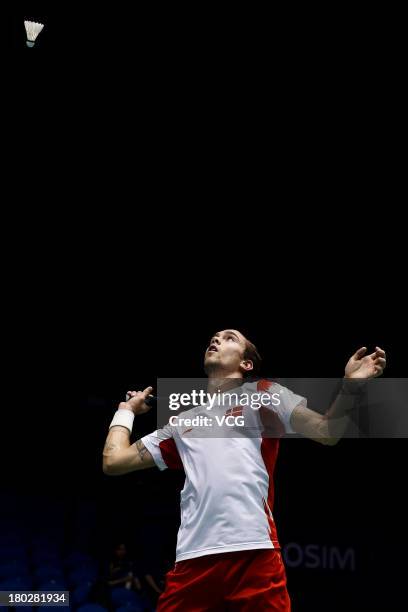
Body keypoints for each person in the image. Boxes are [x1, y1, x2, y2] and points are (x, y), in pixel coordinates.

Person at [103, 329, 386, 611]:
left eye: (229, 338)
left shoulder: (264, 394)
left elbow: (327, 432)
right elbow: (114, 462)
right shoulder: (180, 424)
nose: (215, 339)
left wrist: (352, 385)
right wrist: (126, 411)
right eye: (214, 337)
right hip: (193, 561)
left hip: (254, 553)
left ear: (246, 364)